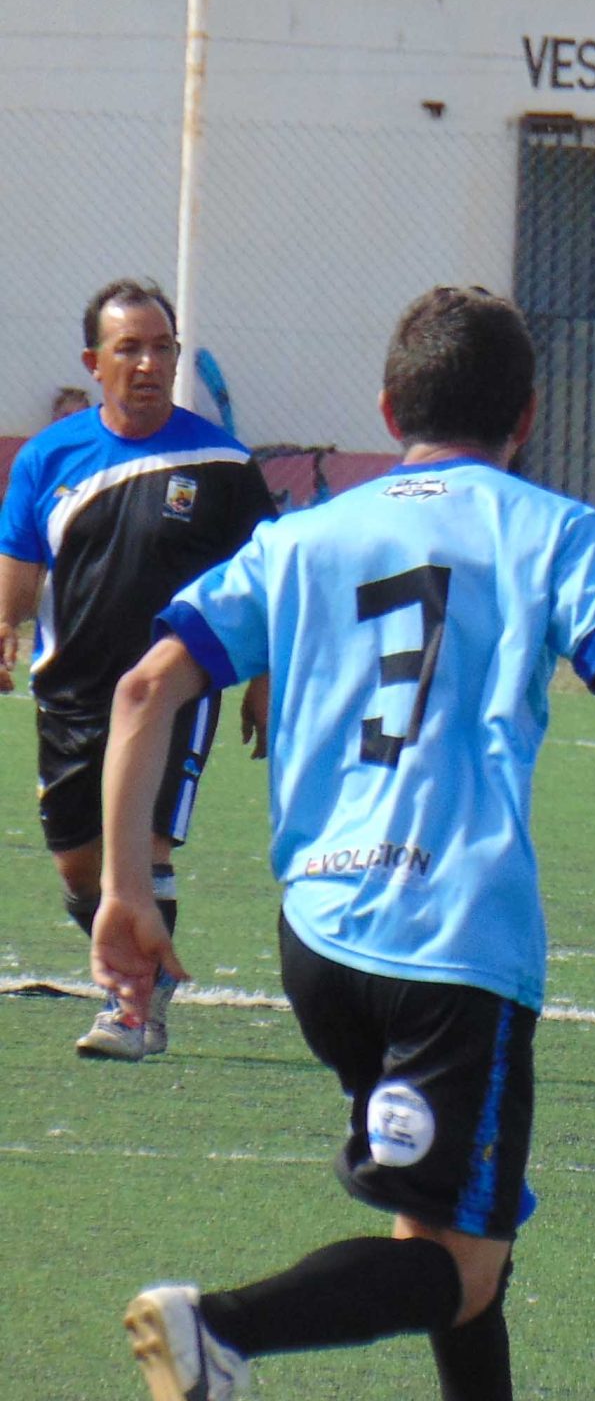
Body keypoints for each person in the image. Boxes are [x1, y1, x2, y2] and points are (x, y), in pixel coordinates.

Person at [88, 285, 595, 1399]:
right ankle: (220, 1328)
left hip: (322, 937)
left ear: (390, 407)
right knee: (458, 1268)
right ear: (525, 417)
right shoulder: (546, 527)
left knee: (457, 1229)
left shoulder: (300, 539)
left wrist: (125, 891)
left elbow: (145, 690)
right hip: (452, 942)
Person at [0, 279, 274, 1060]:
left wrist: (263, 677)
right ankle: (136, 949)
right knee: (83, 867)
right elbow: (21, 559)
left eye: (163, 348)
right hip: (72, 695)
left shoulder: (220, 463)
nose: (149, 363)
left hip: (172, 691)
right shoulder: (49, 456)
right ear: (95, 361)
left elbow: (267, 580)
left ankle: (133, 1010)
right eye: (130, 348)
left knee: (142, 850)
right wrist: (3, 623)